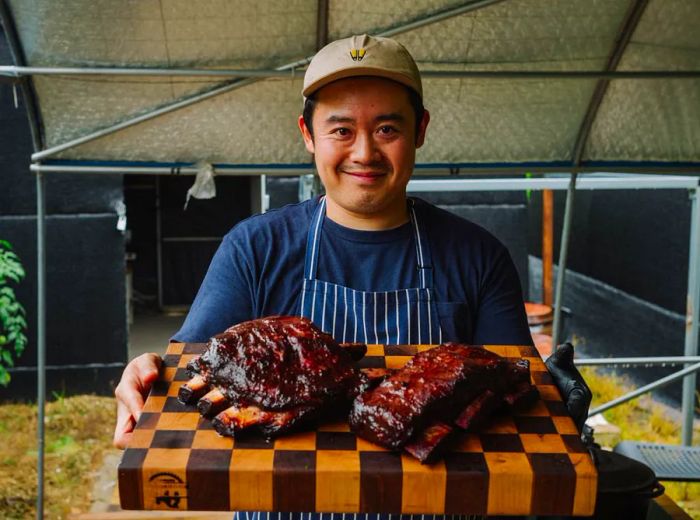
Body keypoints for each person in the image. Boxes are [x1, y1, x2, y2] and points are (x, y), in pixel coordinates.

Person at [114, 34, 591, 516]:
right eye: (341, 130)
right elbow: (192, 372)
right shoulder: (255, 248)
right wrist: (147, 372)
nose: (364, 152)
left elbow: (512, 398)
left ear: (420, 129)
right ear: (307, 133)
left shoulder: (477, 255)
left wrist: (553, 397)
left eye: (387, 128)